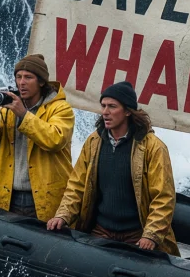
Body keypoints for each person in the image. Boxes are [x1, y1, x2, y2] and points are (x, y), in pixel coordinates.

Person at [46, 82, 179, 255]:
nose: (105, 112)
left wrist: (151, 235)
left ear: (128, 111)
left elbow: (163, 196)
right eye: (103, 106)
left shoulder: (154, 148)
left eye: (112, 106)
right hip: (102, 230)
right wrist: (63, 215)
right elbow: (77, 185)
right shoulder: (93, 142)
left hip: (137, 235)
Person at [0, 53, 75, 221]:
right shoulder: (8, 108)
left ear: (42, 82)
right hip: (9, 195)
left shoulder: (61, 109)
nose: (21, 82)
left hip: (43, 197)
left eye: (28, 77)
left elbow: (54, 140)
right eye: (18, 77)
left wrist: (23, 114)